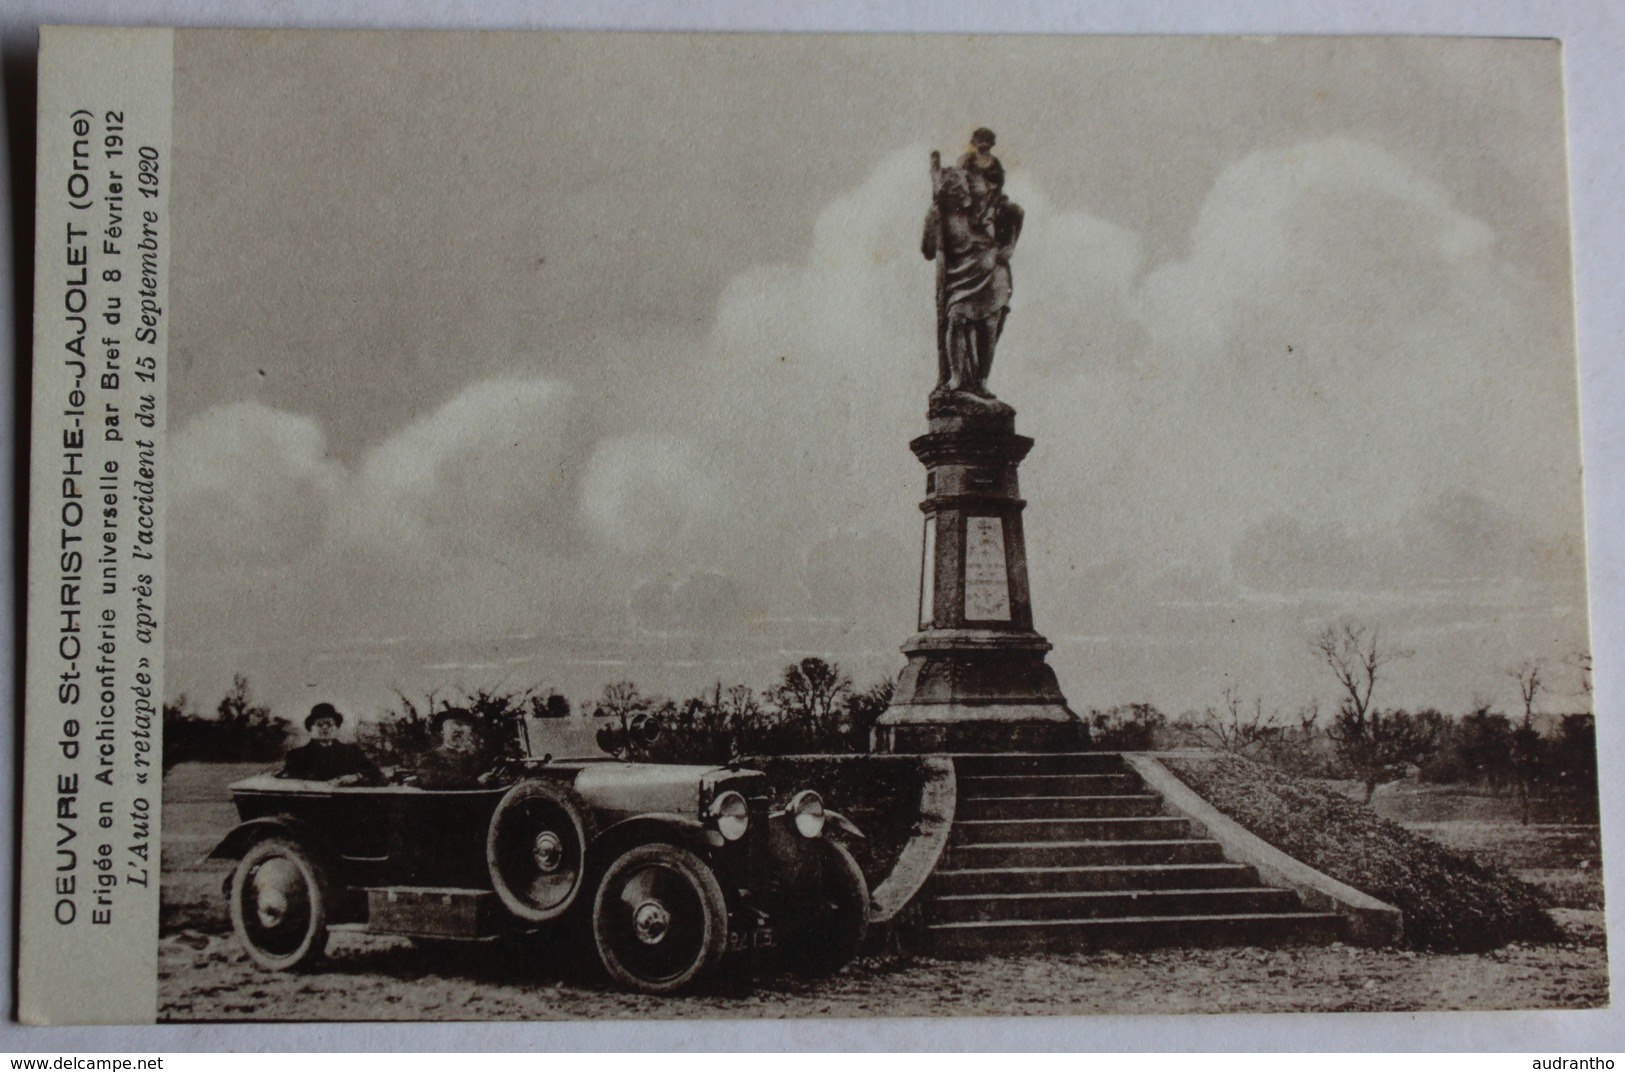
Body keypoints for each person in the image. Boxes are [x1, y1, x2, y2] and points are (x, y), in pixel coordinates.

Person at [279, 702, 381, 785]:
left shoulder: (352, 752)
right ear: (311, 729)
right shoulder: (297, 755)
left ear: (336, 727)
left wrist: (356, 777)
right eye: (320, 724)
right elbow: (288, 781)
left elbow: (377, 776)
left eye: (329, 723)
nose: (324, 728)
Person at [413, 708, 501, 789]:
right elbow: (431, 780)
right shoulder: (429, 757)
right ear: (441, 731)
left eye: (465, 725)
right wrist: (475, 782)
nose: (460, 730)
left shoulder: (477, 759)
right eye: (455, 724)